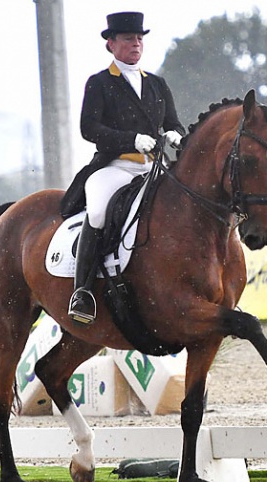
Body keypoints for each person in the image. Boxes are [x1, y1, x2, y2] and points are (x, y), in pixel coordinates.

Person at [63, 11, 185, 324]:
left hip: (153, 167)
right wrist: (130, 139)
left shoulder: (156, 84)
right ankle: (83, 291)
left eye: (140, 39)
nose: (136, 44)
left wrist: (176, 134)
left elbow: (172, 122)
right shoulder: (100, 83)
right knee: (100, 211)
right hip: (115, 167)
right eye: (129, 39)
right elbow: (89, 128)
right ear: (112, 44)